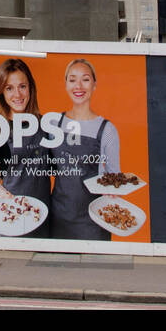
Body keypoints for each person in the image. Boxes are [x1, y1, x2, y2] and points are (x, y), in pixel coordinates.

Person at [0, 58, 51, 238]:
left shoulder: (44, 124)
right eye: (9, 88)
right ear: (1, 92)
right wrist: (3, 194)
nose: (17, 94)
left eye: (22, 86)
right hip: (13, 215)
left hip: (43, 215)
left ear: (30, 88)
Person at [49, 58, 121, 241]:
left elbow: (114, 178)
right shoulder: (53, 123)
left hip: (93, 223)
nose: (78, 86)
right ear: (65, 84)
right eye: (72, 80)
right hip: (57, 218)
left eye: (85, 79)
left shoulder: (107, 129)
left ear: (94, 85)